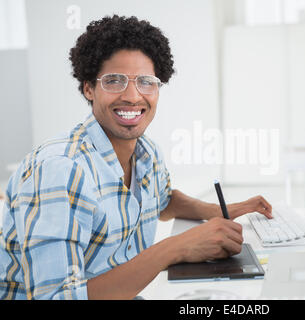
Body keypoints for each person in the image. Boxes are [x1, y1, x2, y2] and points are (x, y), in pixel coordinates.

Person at [0, 15, 272, 300]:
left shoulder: (147, 152)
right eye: (114, 81)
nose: (132, 96)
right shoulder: (61, 170)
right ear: (88, 88)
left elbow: (163, 201)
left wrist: (217, 210)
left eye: (146, 82)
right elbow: (55, 297)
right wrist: (175, 248)